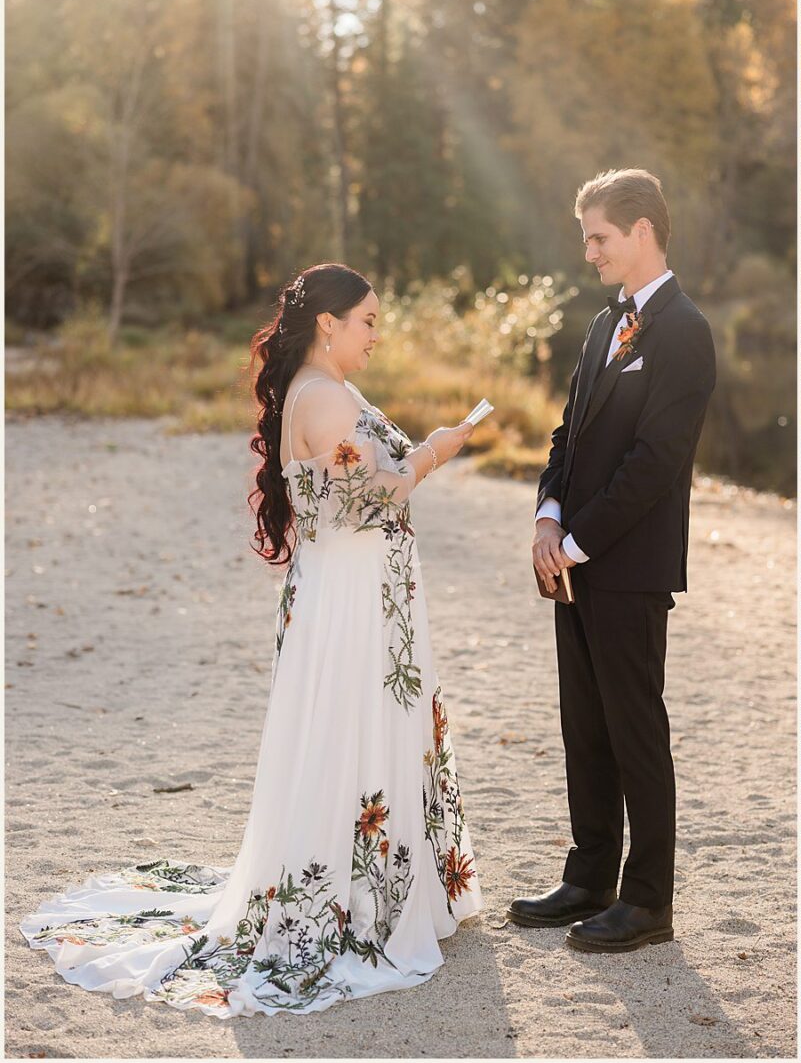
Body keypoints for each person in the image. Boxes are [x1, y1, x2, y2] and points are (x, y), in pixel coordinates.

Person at [21, 262, 482, 1015]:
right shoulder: (326, 397)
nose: (376, 336)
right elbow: (362, 505)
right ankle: (362, 903)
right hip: (352, 597)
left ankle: (381, 888)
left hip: (357, 589)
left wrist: (418, 452)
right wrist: (436, 450)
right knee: (351, 729)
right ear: (328, 323)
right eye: (367, 321)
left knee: (356, 728)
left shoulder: (322, 386)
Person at [514, 169, 716, 952]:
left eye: (597, 236)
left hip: (630, 567)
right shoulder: (605, 326)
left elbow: (656, 460)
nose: (588, 250)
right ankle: (590, 874)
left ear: (641, 232)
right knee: (584, 725)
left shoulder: (685, 329)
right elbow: (568, 433)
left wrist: (575, 541)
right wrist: (546, 515)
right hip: (573, 559)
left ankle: (648, 901)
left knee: (636, 730)